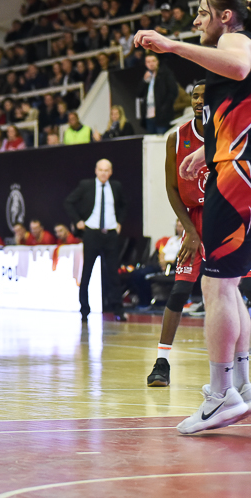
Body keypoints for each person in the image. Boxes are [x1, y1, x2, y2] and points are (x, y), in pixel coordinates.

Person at [136, 2, 251, 434]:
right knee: (230, 286)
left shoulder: (235, 42)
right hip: (237, 167)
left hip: (234, 177)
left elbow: (239, 66)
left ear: (226, 16)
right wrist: (208, 150)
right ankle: (242, 384)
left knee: (215, 286)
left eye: (203, 12)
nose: (197, 20)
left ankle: (222, 394)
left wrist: (171, 46)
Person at [146, 82, 211, 388]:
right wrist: (190, 231)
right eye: (195, 96)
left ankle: (239, 360)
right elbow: (172, 188)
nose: (199, 101)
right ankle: (161, 362)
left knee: (241, 288)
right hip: (194, 220)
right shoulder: (177, 137)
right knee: (179, 290)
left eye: (205, 96)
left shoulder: (228, 134)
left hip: (226, 219)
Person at [64, 159, 127, 322]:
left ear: (110, 172)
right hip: (92, 232)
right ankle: (84, 310)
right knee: (87, 272)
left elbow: (124, 205)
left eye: (106, 170)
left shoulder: (116, 186)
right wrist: (78, 220)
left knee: (113, 273)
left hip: (110, 233)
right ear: (96, 171)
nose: (103, 173)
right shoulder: (86, 185)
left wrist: (119, 222)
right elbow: (69, 201)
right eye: (101, 170)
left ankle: (118, 309)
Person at [137, 53, 179, 134]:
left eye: (153, 61)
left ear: (157, 62)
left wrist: (164, 108)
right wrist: (144, 81)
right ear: (145, 64)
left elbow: (173, 91)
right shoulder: (147, 76)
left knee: (162, 139)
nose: (151, 64)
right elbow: (139, 94)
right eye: (148, 62)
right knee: (151, 140)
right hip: (149, 116)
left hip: (162, 116)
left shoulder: (165, 74)